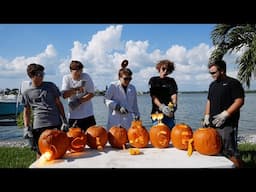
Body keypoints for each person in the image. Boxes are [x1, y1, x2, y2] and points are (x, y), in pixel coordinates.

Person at [202, 59, 245, 168]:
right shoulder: (212, 85)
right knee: (216, 150)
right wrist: (206, 116)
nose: (211, 75)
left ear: (222, 71)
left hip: (227, 124)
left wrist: (225, 114)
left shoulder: (233, 83)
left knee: (230, 152)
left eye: (213, 72)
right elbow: (209, 101)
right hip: (212, 124)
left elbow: (239, 100)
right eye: (210, 73)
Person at [22, 63, 68, 159]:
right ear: (32, 76)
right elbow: (27, 111)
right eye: (39, 74)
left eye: (43, 74)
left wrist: (64, 120)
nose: (42, 76)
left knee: (59, 150)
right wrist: (26, 127)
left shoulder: (51, 86)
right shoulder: (27, 92)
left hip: (55, 123)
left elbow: (59, 103)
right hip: (39, 125)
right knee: (40, 152)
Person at [104, 59, 140, 130]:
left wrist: (137, 114)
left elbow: (134, 104)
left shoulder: (132, 88)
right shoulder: (113, 86)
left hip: (129, 121)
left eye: (130, 78)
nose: (128, 81)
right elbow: (105, 100)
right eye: (125, 79)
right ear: (119, 78)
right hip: (115, 120)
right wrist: (117, 107)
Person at [61, 60, 96, 132]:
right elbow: (64, 95)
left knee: (92, 137)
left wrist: (79, 101)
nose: (79, 73)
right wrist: (76, 90)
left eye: (81, 71)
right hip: (74, 115)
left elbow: (91, 93)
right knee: (74, 138)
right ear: (71, 70)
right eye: (76, 71)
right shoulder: (66, 78)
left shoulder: (86, 76)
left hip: (88, 114)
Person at [148, 59, 178, 129]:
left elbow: (174, 96)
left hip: (169, 114)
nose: (165, 71)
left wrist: (173, 107)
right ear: (159, 68)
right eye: (163, 69)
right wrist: (161, 107)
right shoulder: (153, 80)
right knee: (159, 134)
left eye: (168, 70)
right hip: (157, 114)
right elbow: (153, 96)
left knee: (172, 135)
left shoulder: (172, 81)